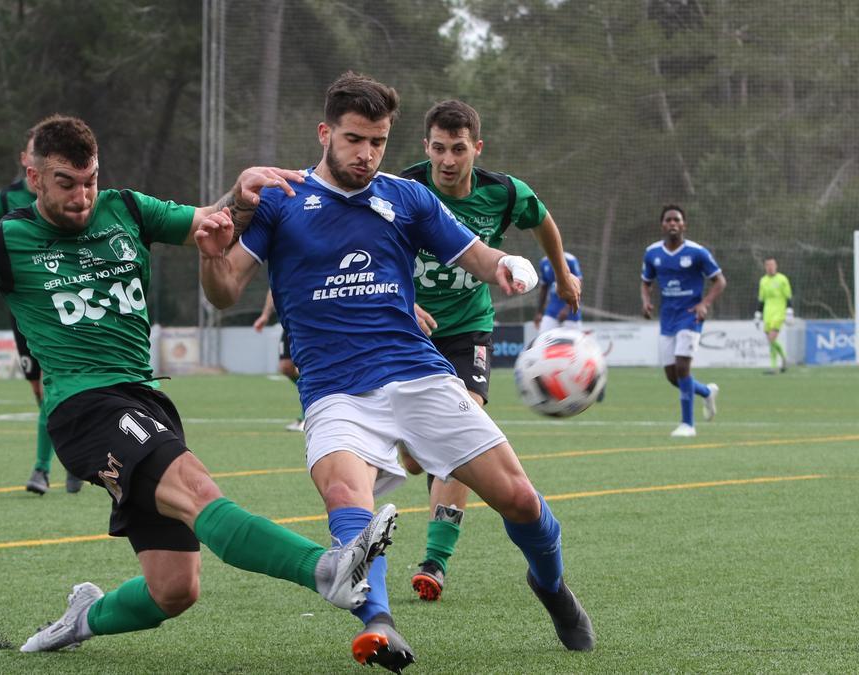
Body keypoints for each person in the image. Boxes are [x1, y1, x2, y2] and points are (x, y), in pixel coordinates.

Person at [0, 114, 396, 658]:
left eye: (89, 181)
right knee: (199, 489)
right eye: (65, 183)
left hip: (144, 400)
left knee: (175, 589)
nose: (81, 196)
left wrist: (238, 193)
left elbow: (207, 220)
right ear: (33, 176)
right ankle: (326, 569)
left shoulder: (127, 208)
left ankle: (79, 621)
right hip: (82, 407)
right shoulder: (5, 239)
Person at [197, 73, 596, 670]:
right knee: (344, 496)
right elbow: (224, 291)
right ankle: (379, 621)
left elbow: (477, 255)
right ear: (325, 133)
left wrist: (509, 264)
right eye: (355, 139)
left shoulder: (406, 197)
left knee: (519, 499)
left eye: (379, 141)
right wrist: (211, 254)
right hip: (334, 390)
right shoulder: (281, 199)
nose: (367, 154)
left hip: (418, 373)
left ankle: (552, 586)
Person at [398, 99, 583, 603]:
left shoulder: (502, 193)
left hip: (467, 329)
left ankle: (435, 561)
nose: (448, 160)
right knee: (416, 460)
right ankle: (409, 447)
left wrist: (562, 277)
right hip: (410, 329)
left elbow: (543, 221)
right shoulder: (403, 190)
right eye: (439, 148)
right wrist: (403, 302)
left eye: (459, 149)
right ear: (426, 147)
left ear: (477, 148)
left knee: (463, 425)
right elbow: (375, 250)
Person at [0, 128, 81, 496]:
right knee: (43, 394)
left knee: (56, 388)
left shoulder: (72, 197)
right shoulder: (5, 199)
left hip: (60, 307)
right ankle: (73, 460)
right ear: (26, 159)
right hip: (22, 311)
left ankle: (42, 469)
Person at [641, 204, 726, 438]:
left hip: (690, 316)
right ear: (662, 225)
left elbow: (719, 281)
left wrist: (704, 303)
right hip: (668, 318)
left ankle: (688, 424)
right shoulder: (652, 253)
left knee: (682, 368)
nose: (672, 224)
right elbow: (646, 282)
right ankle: (706, 392)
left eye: (677, 220)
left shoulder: (697, 252)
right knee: (671, 375)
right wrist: (646, 301)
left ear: (684, 225)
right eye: (668, 220)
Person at [252, 289, 303, 431]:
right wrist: (265, 315)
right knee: (286, 367)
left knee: (308, 368)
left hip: (309, 320)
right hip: (289, 320)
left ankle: (307, 416)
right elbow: (273, 288)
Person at [755, 257, 793, 374]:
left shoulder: (782, 279)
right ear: (765, 267)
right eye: (768, 265)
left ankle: (773, 367)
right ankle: (784, 359)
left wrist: (789, 312)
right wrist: (758, 314)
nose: (770, 267)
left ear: (776, 266)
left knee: (771, 338)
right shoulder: (763, 281)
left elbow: (788, 297)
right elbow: (761, 299)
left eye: (772, 265)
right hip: (768, 313)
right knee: (771, 340)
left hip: (779, 313)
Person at [536, 252, 584, 334]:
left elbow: (579, 286)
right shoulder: (544, 262)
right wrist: (539, 312)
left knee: (573, 344)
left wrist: (567, 310)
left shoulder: (570, 260)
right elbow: (544, 288)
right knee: (543, 338)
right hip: (551, 312)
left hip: (571, 314)